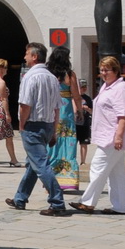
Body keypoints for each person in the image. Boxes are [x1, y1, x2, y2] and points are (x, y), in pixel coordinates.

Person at [6, 42, 69, 215]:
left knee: (40, 165)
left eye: (26, 54)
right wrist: (54, 130)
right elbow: (57, 108)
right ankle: (20, 198)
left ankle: (57, 202)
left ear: (34, 56)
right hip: (48, 125)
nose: (24, 57)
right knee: (33, 164)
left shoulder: (30, 77)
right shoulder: (51, 77)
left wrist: (21, 125)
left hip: (33, 125)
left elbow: (25, 104)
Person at [73, 55, 125, 214]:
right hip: (106, 135)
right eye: (101, 70)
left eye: (107, 70)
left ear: (115, 70)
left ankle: (87, 202)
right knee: (116, 173)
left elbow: (123, 114)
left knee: (97, 167)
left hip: (112, 137)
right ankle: (121, 206)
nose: (103, 73)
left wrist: (119, 136)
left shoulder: (121, 88)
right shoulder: (107, 87)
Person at [47, 46, 80, 189]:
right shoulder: (69, 74)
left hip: (51, 108)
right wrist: (80, 110)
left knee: (53, 143)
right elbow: (76, 95)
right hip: (65, 109)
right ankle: (67, 180)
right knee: (68, 142)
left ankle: (51, 179)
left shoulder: (48, 73)